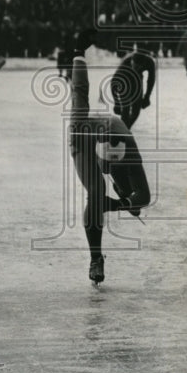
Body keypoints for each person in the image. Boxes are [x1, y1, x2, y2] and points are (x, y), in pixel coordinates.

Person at [68, 29, 150, 285]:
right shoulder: (81, 126)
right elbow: (79, 89)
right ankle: (96, 258)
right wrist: (78, 54)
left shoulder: (130, 151)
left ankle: (109, 199)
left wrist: (123, 203)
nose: (110, 164)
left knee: (131, 195)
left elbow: (144, 197)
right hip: (83, 145)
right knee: (96, 190)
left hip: (117, 146)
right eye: (109, 161)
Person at [110, 49, 156, 129]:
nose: (136, 68)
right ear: (131, 61)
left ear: (143, 64)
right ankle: (122, 132)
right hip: (124, 79)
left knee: (136, 110)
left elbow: (151, 80)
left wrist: (147, 97)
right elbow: (114, 82)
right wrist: (116, 103)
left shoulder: (150, 62)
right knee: (125, 109)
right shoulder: (125, 63)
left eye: (138, 67)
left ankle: (124, 130)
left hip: (137, 79)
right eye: (134, 65)